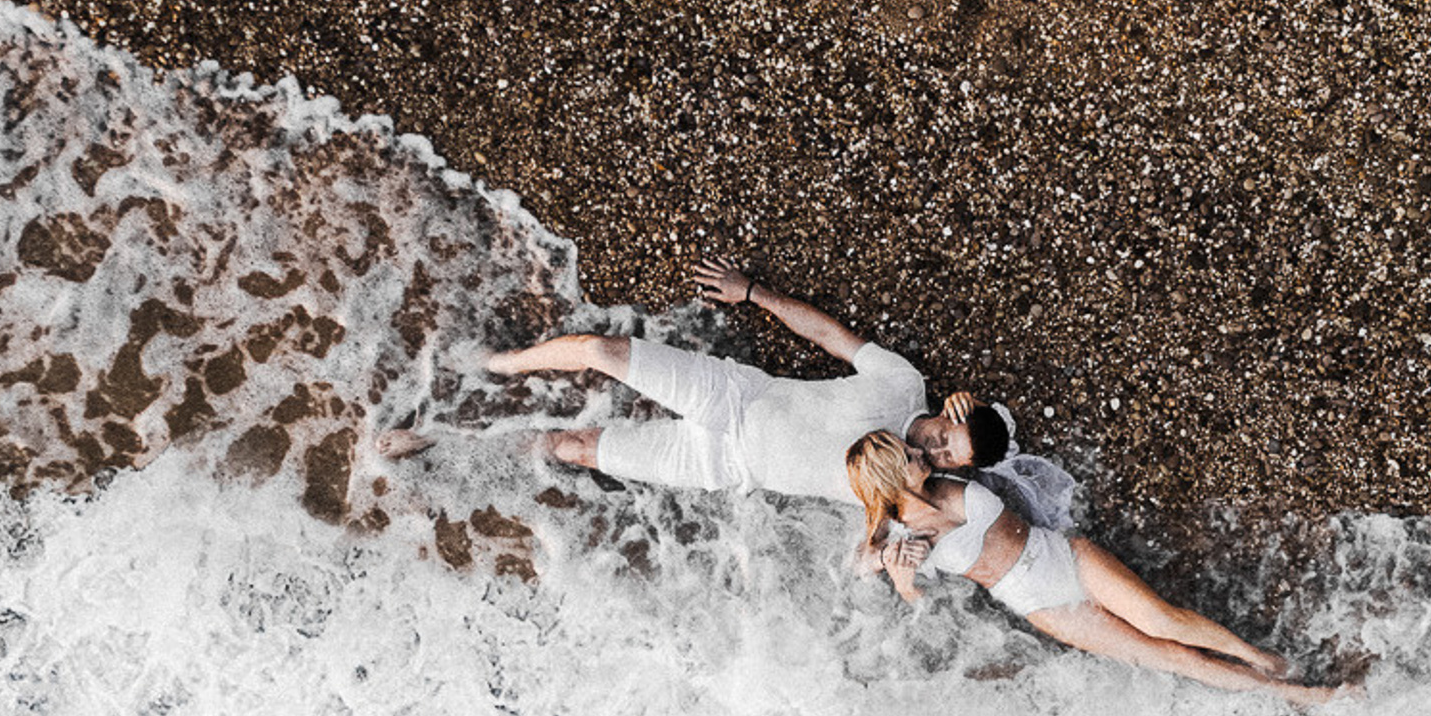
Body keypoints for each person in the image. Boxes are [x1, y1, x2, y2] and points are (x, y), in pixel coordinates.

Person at [378, 260, 1001, 500]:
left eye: (952, 458)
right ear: (953, 411)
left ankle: (439, 439)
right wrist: (754, 291)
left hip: (720, 464)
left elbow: (972, 503)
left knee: (572, 448)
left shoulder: (915, 488)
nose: (938, 450)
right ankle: (501, 362)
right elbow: (831, 337)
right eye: (949, 437)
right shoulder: (903, 384)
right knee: (601, 349)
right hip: (738, 394)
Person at [845, 430, 1340, 706]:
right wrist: (903, 582)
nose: (919, 451)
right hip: (1044, 604)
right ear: (891, 476)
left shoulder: (940, 478)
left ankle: (1260, 658)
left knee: (1162, 620)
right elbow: (923, 609)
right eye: (907, 455)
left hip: (1066, 556)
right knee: (1173, 659)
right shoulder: (901, 540)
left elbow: (976, 427)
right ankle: (1300, 695)